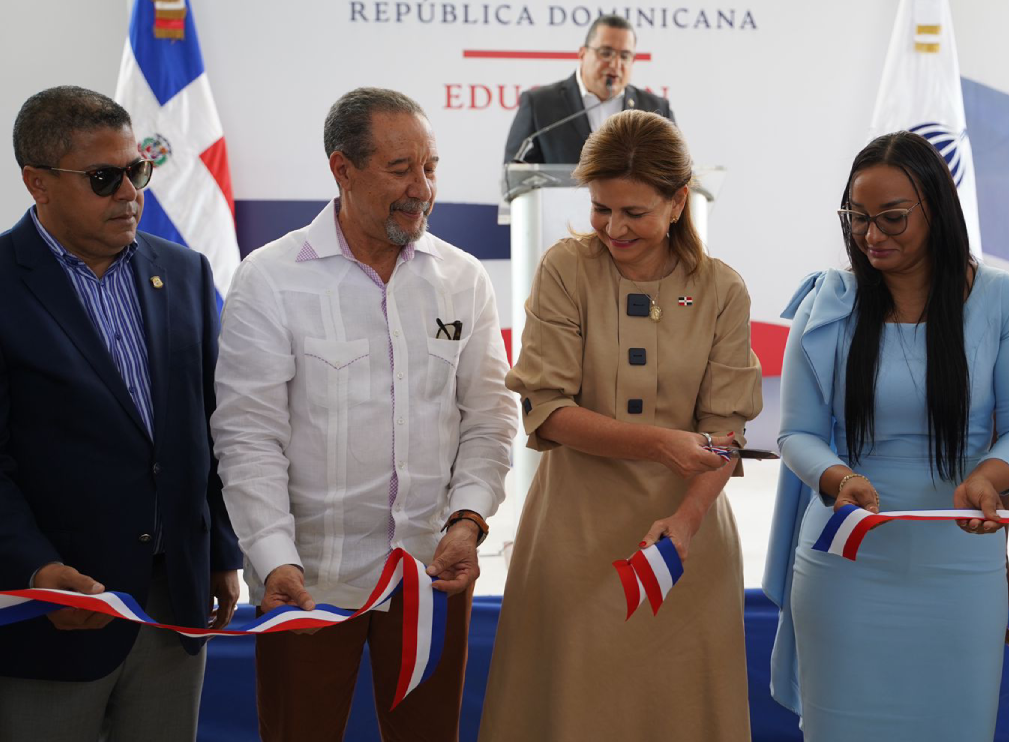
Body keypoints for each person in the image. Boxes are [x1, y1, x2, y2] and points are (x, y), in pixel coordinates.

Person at [210, 87, 517, 741]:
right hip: (308, 579)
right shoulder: (270, 278)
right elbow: (248, 437)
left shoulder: (463, 279)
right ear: (341, 169)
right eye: (400, 169)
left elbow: (490, 417)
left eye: (430, 167)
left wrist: (469, 520)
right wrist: (274, 556)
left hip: (432, 575)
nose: (422, 188)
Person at [479, 109, 762, 741]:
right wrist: (662, 442)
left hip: (686, 540)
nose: (612, 227)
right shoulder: (565, 268)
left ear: (678, 201)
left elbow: (725, 427)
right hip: (574, 535)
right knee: (574, 712)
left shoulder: (723, 290)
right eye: (602, 208)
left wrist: (685, 523)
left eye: (633, 211)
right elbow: (547, 410)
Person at [764, 131, 1009, 739]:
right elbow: (796, 434)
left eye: (893, 218)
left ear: (937, 210)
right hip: (847, 560)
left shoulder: (1004, 301)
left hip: (958, 561)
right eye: (858, 218)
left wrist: (990, 477)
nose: (872, 235)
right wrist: (839, 477)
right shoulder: (828, 304)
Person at [0, 85, 241, 739]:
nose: (131, 192)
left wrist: (220, 546)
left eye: (138, 170)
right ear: (37, 183)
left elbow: (211, 425)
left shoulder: (185, 272)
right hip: (51, 617)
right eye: (105, 178)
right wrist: (35, 572)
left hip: (174, 605)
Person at [502, 15, 674, 164]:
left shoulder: (655, 109)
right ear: (583, 54)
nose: (615, 64)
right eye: (606, 53)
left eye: (624, 56)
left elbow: (679, 171)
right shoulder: (539, 104)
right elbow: (515, 174)